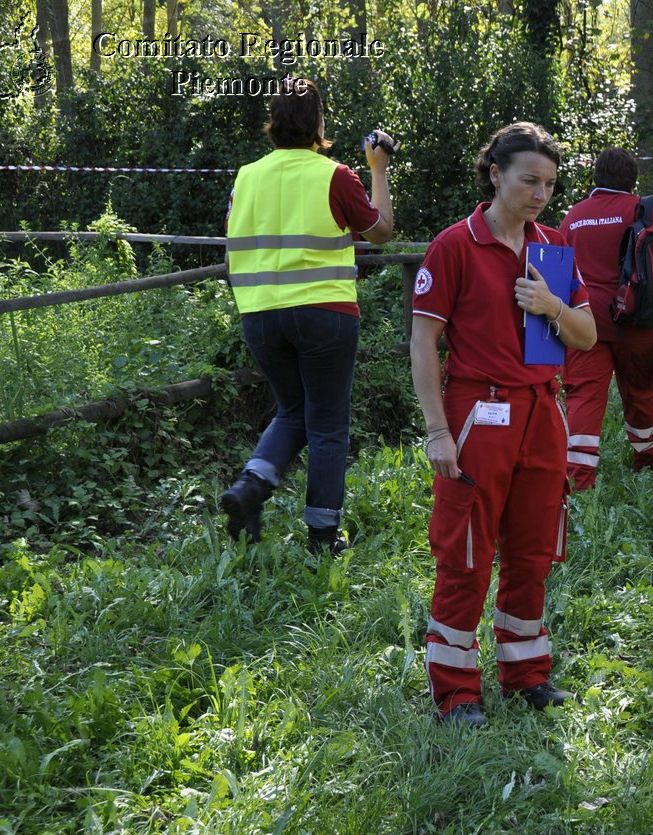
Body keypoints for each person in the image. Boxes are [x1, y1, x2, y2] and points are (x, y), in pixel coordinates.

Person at [410, 122, 596, 726]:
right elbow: (423, 342)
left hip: (543, 411)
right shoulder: (455, 246)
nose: (540, 195)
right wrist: (438, 430)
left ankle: (525, 675)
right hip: (477, 413)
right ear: (495, 175)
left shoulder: (553, 249)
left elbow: (587, 337)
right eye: (528, 181)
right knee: (466, 550)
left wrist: (552, 305)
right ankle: (457, 690)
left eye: (549, 183)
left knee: (534, 549)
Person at [221, 76, 394, 555]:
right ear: (319, 123)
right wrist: (378, 170)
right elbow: (380, 232)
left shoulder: (246, 177)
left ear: (272, 125)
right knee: (328, 424)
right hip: (325, 313)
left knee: (294, 411)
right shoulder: (335, 175)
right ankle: (322, 536)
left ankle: (250, 488)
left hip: (259, 315)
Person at [559, 148, 653, 490]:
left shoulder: (573, 217)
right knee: (640, 389)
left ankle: (578, 479)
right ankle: (648, 461)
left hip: (585, 321)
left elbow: (560, 271)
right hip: (639, 318)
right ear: (632, 178)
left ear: (596, 177)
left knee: (583, 395)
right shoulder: (645, 210)